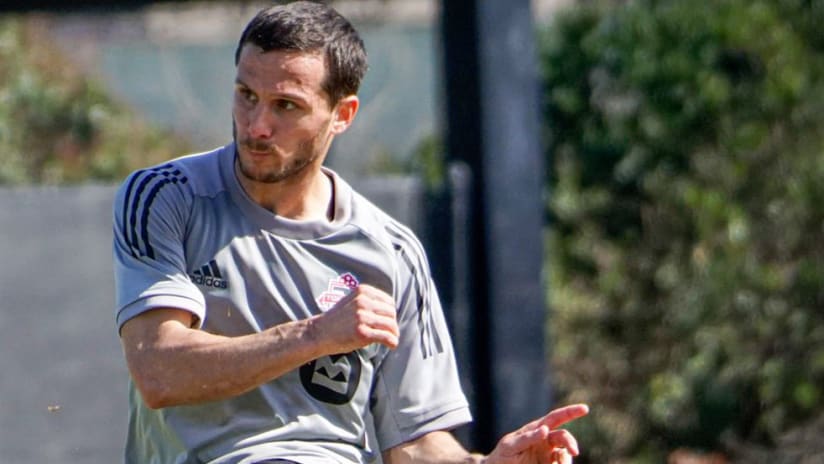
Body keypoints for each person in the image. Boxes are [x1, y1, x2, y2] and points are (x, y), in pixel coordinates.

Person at [112, 2, 589, 463]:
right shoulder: (165, 197)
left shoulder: (392, 253)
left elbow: (417, 448)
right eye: (246, 96)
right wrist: (316, 335)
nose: (256, 126)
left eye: (286, 106)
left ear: (342, 115)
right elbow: (159, 370)